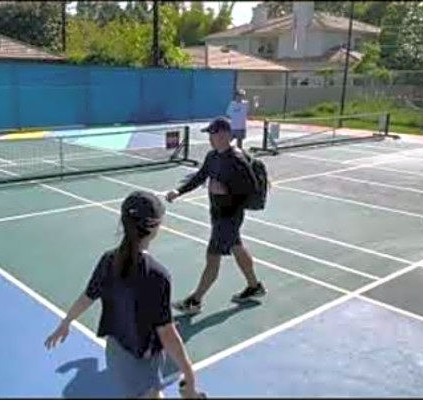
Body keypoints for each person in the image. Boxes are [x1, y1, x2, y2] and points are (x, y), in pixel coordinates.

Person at [44, 191, 200, 399]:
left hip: (116, 353)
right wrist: (188, 373)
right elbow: (167, 333)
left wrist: (66, 322)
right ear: (154, 227)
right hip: (142, 358)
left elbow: (88, 296)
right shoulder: (157, 275)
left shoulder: (108, 260)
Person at [166, 117, 266, 315]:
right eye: (210, 134)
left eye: (215, 133)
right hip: (218, 213)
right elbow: (201, 176)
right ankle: (254, 286)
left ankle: (195, 300)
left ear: (227, 135)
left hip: (229, 217)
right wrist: (179, 191)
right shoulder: (213, 156)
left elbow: (250, 190)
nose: (211, 138)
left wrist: (225, 191)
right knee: (236, 247)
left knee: (212, 258)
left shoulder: (237, 160)